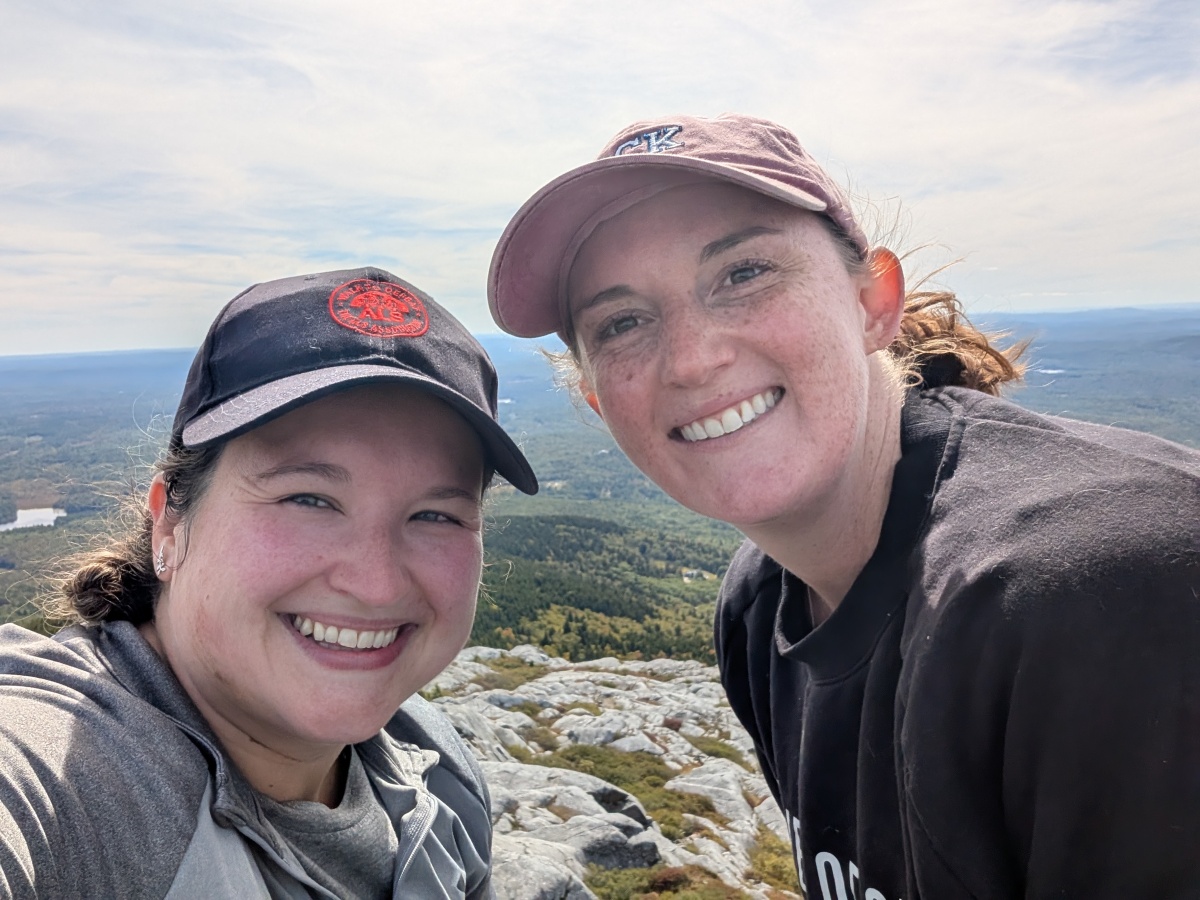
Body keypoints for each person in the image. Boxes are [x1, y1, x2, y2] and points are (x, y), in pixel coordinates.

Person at [487, 114, 1200, 898]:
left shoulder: (1105, 591)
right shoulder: (760, 607)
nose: (693, 359)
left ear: (874, 301)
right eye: (621, 322)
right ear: (596, 400)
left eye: (744, 273)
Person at [0, 267, 538, 898]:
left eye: (435, 515)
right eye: (308, 498)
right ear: (169, 524)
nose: (374, 582)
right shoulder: (66, 772)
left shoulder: (435, 769)